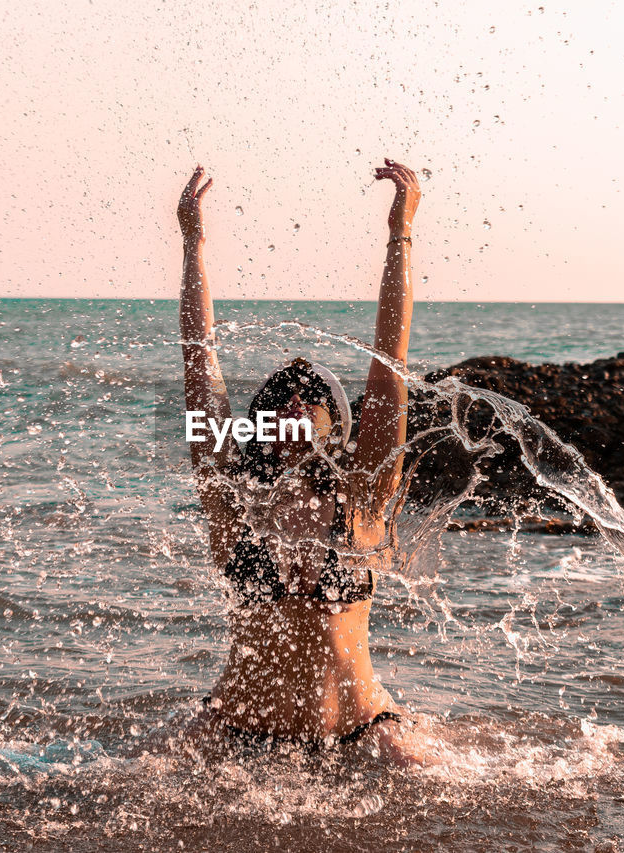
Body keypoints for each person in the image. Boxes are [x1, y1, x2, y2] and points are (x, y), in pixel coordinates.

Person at [175, 159, 426, 764]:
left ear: (334, 426)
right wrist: (192, 243)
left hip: (362, 734)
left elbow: (391, 362)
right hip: (235, 731)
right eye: (278, 402)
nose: (293, 406)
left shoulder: (363, 501)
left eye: (309, 400)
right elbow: (197, 361)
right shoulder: (232, 504)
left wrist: (401, 234)